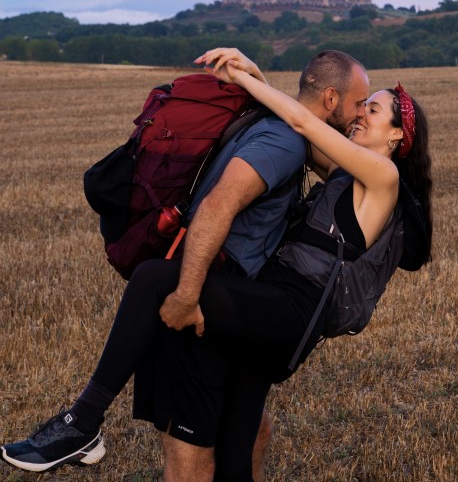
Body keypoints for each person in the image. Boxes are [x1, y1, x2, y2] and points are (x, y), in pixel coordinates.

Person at [1, 49, 371, 479]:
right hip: (208, 293)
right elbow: (216, 208)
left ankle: (83, 421)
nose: (361, 112)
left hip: (230, 300)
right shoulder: (283, 143)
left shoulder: (280, 128)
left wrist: (258, 79)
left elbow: (306, 131)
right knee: (190, 445)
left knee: (250, 429)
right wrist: (188, 295)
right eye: (359, 102)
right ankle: (82, 423)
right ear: (330, 98)